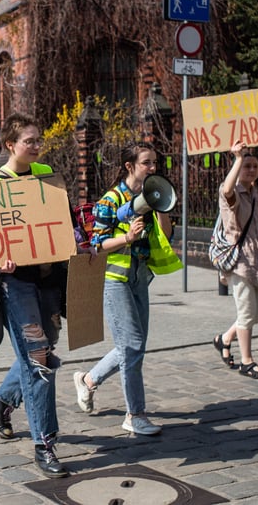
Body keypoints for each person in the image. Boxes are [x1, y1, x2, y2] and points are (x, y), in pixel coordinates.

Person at [72, 141, 181, 436]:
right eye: (147, 163)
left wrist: (162, 209)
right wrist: (126, 239)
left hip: (140, 277)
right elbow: (97, 244)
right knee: (132, 346)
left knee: (133, 347)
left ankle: (89, 380)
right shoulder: (110, 200)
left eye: (155, 163)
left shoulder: (149, 196)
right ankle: (135, 414)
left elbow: (168, 234)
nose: (153, 168)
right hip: (115, 279)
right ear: (130, 166)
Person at [0, 114, 69, 478]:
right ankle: (44, 444)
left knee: (43, 350)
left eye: (38, 140)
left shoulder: (45, 173)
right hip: (15, 282)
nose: (36, 146)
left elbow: (60, 220)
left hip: (48, 276)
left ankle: (2, 401)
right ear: (10, 145)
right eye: (29, 141)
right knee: (39, 361)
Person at [212, 140, 258, 379]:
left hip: (255, 260)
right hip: (239, 261)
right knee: (247, 312)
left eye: (254, 166)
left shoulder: (256, 195)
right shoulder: (233, 192)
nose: (251, 170)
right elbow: (226, 191)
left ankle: (224, 339)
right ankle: (247, 361)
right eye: (247, 166)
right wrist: (237, 158)